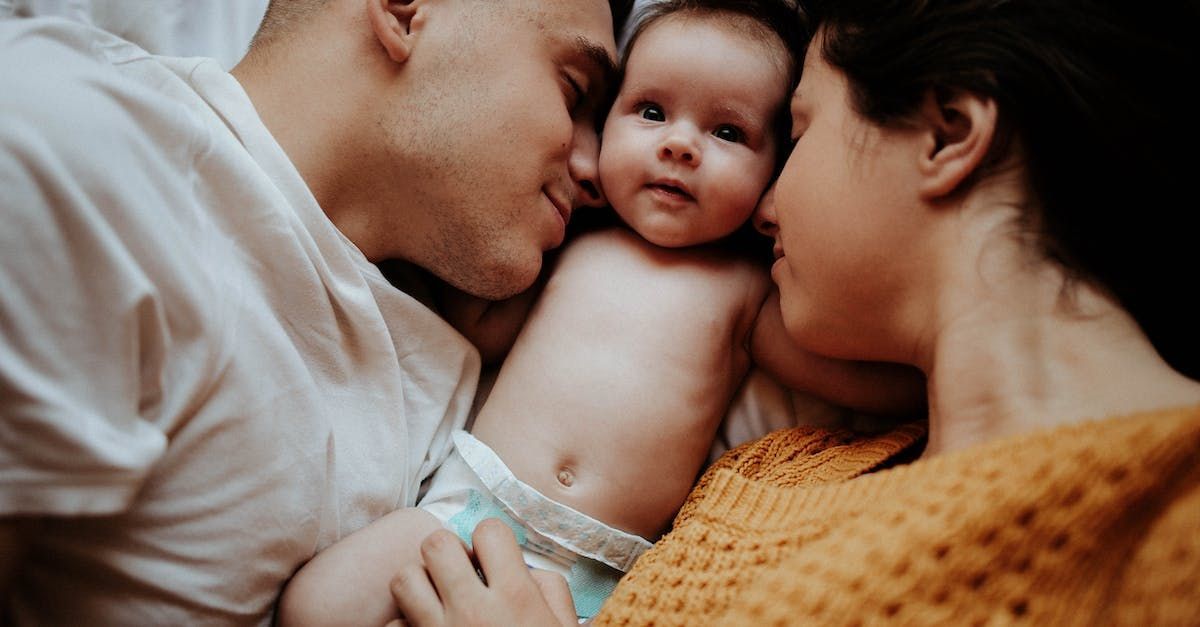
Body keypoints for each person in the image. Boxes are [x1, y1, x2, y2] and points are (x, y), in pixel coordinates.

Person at [386, 0, 1200, 624]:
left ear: (948, 135)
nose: (764, 206)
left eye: (797, 132)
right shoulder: (775, 468)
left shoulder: (1171, 526)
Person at [277, 1, 923, 623]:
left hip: (599, 577)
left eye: (727, 132)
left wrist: (930, 370)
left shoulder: (746, 294)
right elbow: (477, 327)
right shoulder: (566, 243)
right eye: (650, 111)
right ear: (603, 125)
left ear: (772, 172)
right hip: (472, 503)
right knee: (317, 604)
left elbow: (850, 375)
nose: (680, 145)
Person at [0, 0, 619, 623]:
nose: (600, 170)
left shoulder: (453, 355)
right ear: (404, 15)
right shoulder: (79, 151)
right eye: (574, 91)